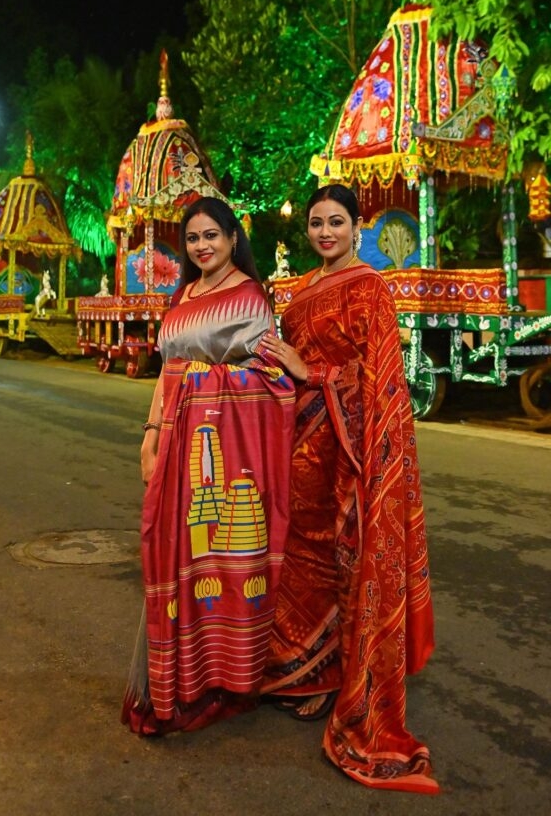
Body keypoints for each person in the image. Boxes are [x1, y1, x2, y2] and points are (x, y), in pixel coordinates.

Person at [259, 183, 439, 794]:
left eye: (336, 222)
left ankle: (347, 685)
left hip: (349, 447)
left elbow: (380, 375)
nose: (325, 232)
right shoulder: (303, 289)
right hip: (297, 447)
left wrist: (316, 373)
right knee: (300, 558)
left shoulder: (369, 288)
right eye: (316, 223)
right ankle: (306, 672)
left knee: (348, 559)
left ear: (358, 226)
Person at [122, 197, 295, 735]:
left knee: (216, 561)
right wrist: (151, 436)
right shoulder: (186, 295)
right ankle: (171, 682)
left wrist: (203, 382)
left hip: (225, 454)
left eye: (211, 236)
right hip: (174, 441)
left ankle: (219, 681)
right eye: (193, 238)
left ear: (231, 237)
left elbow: (271, 380)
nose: (202, 246)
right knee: (169, 555)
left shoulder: (249, 298)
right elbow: (168, 372)